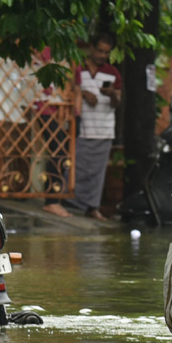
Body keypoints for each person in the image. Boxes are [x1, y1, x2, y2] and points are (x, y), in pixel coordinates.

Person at [45, 34, 121, 220]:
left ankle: (92, 207)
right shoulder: (78, 68)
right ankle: (67, 201)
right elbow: (71, 90)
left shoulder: (112, 73)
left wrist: (111, 94)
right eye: (100, 50)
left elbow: (118, 102)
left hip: (103, 128)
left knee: (97, 174)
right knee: (74, 168)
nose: (103, 55)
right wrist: (85, 93)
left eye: (106, 52)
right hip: (80, 128)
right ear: (91, 48)